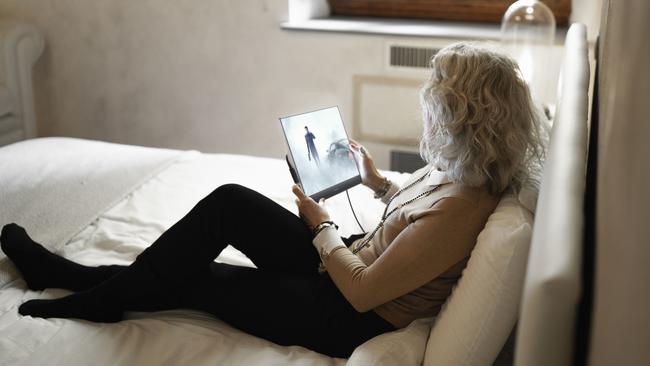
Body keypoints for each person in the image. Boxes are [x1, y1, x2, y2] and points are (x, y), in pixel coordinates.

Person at [0, 43, 544, 358]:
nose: (427, 109)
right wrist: (376, 182)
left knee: (198, 279)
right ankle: (86, 281)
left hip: (345, 314)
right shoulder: (466, 171)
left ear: (463, 117)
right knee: (229, 203)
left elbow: (361, 294)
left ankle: (83, 286)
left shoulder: (465, 208)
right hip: (346, 260)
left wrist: (320, 224)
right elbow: (416, 218)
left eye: (438, 101)